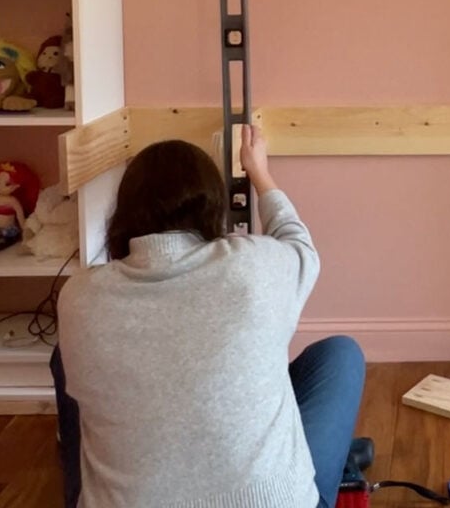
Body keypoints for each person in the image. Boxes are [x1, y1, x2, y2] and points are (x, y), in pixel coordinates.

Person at [53, 124, 365, 508]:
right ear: (213, 207)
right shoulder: (252, 266)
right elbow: (300, 245)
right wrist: (259, 171)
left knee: (62, 357)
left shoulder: (79, 298)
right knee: (341, 355)